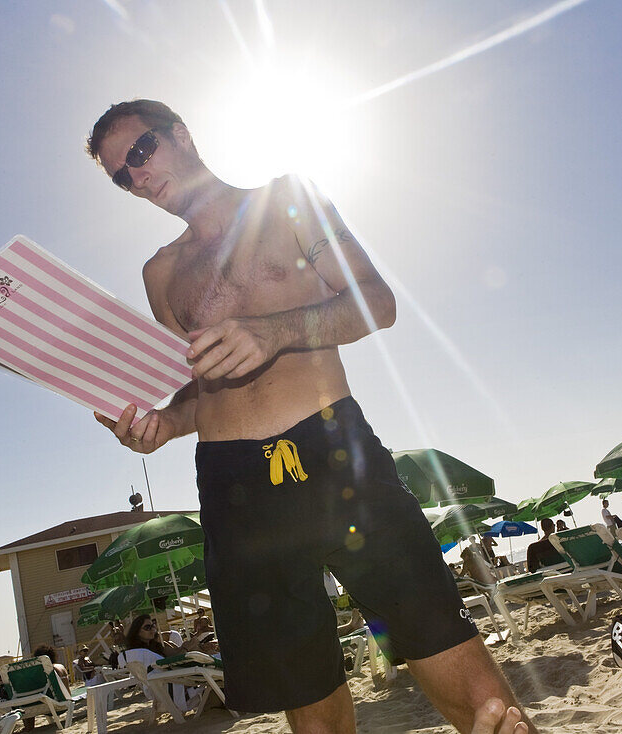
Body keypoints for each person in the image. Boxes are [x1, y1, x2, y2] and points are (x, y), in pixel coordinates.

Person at [86, 99, 532, 734]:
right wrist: (160, 424)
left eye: (141, 151)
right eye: (120, 175)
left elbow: (376, 302)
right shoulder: (159, 274)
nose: (138, 176)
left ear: (181, 134)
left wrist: (276, 332)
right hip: (233, 482)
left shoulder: (289, 201)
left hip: (329, 448)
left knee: (452, 659)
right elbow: (198, 387)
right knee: (308, 694)